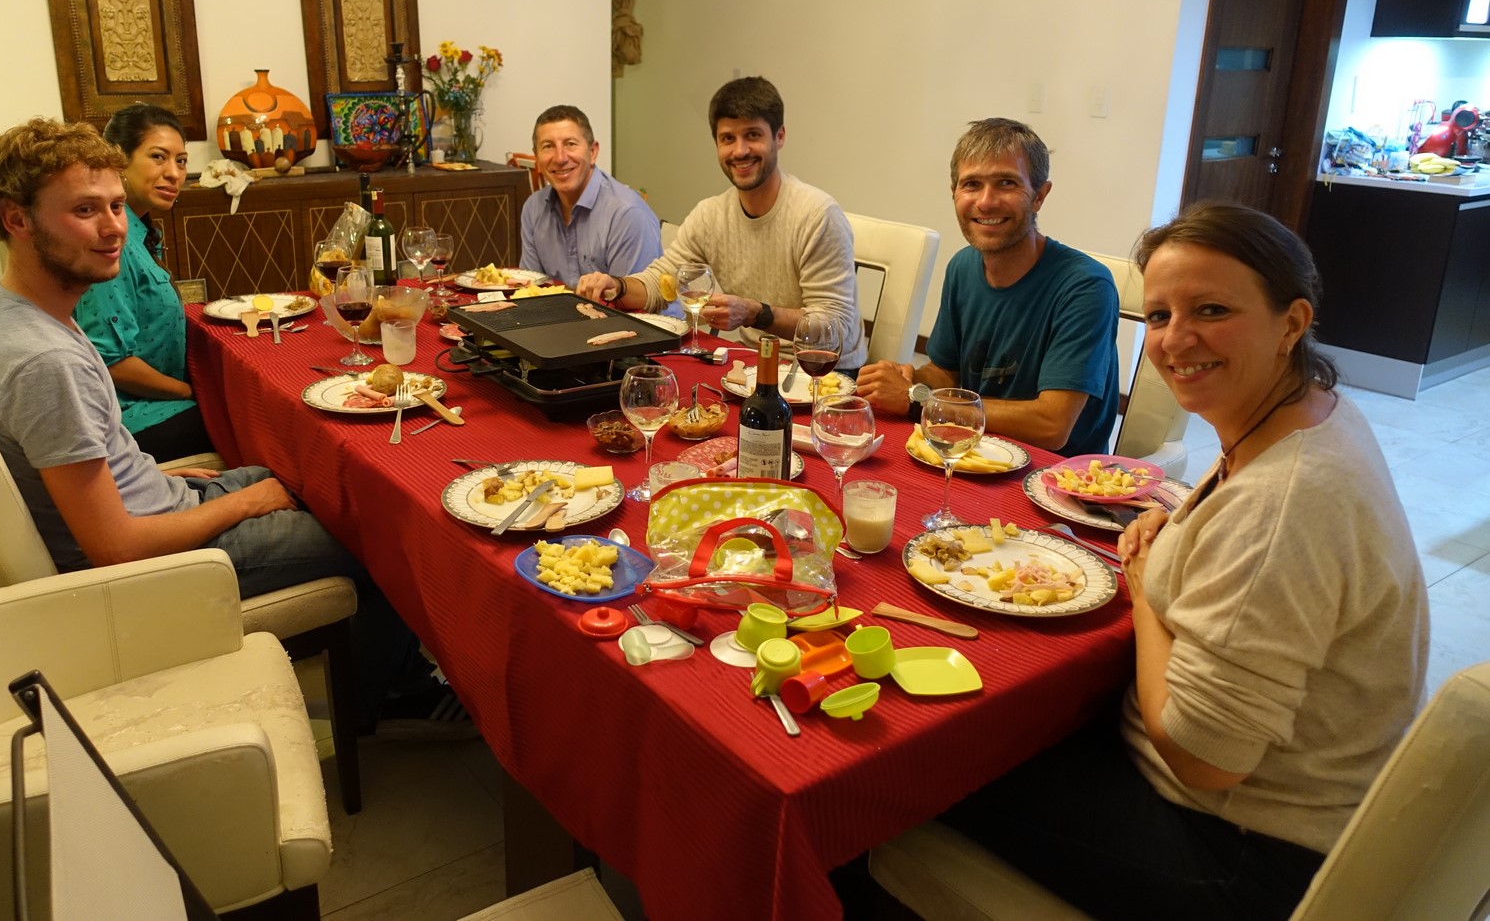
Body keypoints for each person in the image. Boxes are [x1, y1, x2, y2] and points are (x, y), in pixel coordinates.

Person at [940, 201, 1429, 920]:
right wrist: (1189, 531)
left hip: (1235, 852)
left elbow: (1205, 759)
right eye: (1160, 315)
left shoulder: (1285, 502)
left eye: (1212, 310)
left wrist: (1145, 598)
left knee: (921, 765)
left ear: (1292, 323)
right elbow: (1252, 554)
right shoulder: (1310, 413)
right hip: (1266, 809)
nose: (1176, 339)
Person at [0, 117, 446, 735]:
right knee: (383, 534)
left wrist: (161, 478)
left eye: (114, 206)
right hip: (152, 565)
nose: (113, 227)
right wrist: (242, 505)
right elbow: (115, 549)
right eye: (84, 209)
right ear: (16, 219)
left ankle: (342, 650)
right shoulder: (44, 361)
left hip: (157, 506)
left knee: (311, 474)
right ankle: (389, 703)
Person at [855, 118, 1117, 455]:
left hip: (1053, 473)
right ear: (954, 193)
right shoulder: (963, 267)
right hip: (973, 452)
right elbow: (947, 372)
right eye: (972, 184)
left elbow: (1052, 425)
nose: (986, 201)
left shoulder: (1085, 287)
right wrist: (914, 379)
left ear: (1039, 195)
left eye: (1006, 183)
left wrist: (918, 401)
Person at [575, 76, 866, 368]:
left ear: (779, 137)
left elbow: (835, 327)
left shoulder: (817, 215)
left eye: (752, 135)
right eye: (728, 138)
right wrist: (617, 286)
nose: (739, 151)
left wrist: (755, 313)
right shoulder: (710, 215)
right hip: (755, 364)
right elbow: (660, 282)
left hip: (825, 372)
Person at [72, 104, 213, 461]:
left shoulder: (138, 230)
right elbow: (111, 361)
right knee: (252, 418)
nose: (174, 173)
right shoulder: (110, 243)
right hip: (129, 418)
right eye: (158, 157)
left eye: (181, 161)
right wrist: (186, 391)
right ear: (119, 161)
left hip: (155, 402)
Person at [519, 104, 661, 287]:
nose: (560, 158)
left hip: (629, 307)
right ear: (537, 159)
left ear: (593, 152)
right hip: (566, 307)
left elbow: (633, 300)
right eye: (548, 146)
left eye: (570, 144)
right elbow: (530, 290)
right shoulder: (533, 209)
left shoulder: (627, 213)